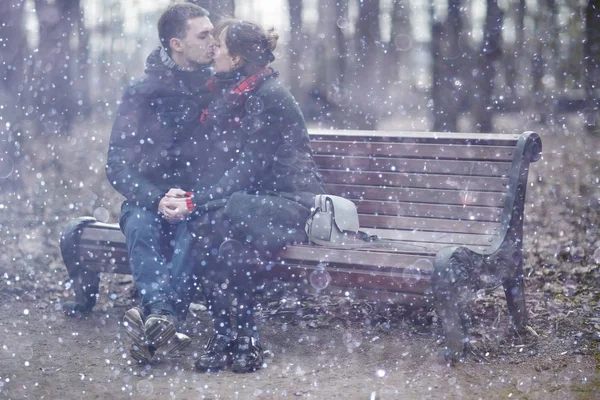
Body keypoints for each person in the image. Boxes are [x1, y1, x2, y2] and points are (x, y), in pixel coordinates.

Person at [174, 19, 326, 373]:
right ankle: (227, 334)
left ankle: (245, 335)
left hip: (295, 203)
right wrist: (192, 198)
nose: (214, 49)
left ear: (238, 57)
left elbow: (247, 170)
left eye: (221, 45)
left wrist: (195, 202)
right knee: (213, 230)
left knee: (224, 220)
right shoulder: (237, 93)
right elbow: (224, 165)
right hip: (256, 203)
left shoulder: (268, 97)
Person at [105, 3, 215, 364]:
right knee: (139, 224)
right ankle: (164, 319)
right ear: (176, 44)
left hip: (201, 202)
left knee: (194, 228)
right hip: (147, 200)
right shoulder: (141, 92)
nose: (214, 42)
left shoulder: (217, 88)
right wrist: (155, 199)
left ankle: (156, 320)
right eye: (204, 35)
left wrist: (191, 198)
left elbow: (230, 158)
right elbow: (117, 164)